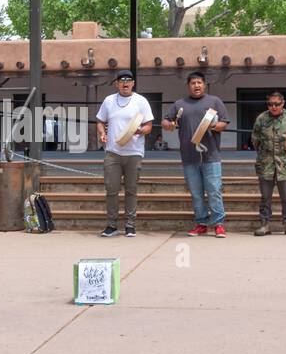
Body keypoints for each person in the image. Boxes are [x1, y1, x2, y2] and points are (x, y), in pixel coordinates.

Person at [163, 71, 229, 237]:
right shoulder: (180, 104)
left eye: (199, 82)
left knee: (214, 191)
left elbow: (224, 123)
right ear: (188, 86)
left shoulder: (215, 101)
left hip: (211, 156)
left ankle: (218, 224)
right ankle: (201, 223)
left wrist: (213, 126)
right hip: (189, 156)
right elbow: (166, 120)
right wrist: (168, 124)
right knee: (196, 193)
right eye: (193, 83)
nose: (196, 86)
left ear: (204, 84)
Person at [95, 70, 153, 237]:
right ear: (116, 84)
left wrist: (139, 131)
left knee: (131, 190)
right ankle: (112, 225)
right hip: (113, 152)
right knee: (111, 190)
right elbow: (100, 121)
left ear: (133, 83)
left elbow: (149, 125)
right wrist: (102, 134)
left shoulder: (141, 101)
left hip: (134, 152)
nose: (125, 83)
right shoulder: (109, 101)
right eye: (121, 80)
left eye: (128, 80)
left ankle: (130, 225)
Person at [251, 91, 286, 237]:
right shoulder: (262, 118)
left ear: (283, 103)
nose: (273, 107)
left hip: (285, 163)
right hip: (266, 164)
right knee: (265, 197)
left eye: (277, 104)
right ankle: (264, 225)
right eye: (270, 104)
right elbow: (255, 139)